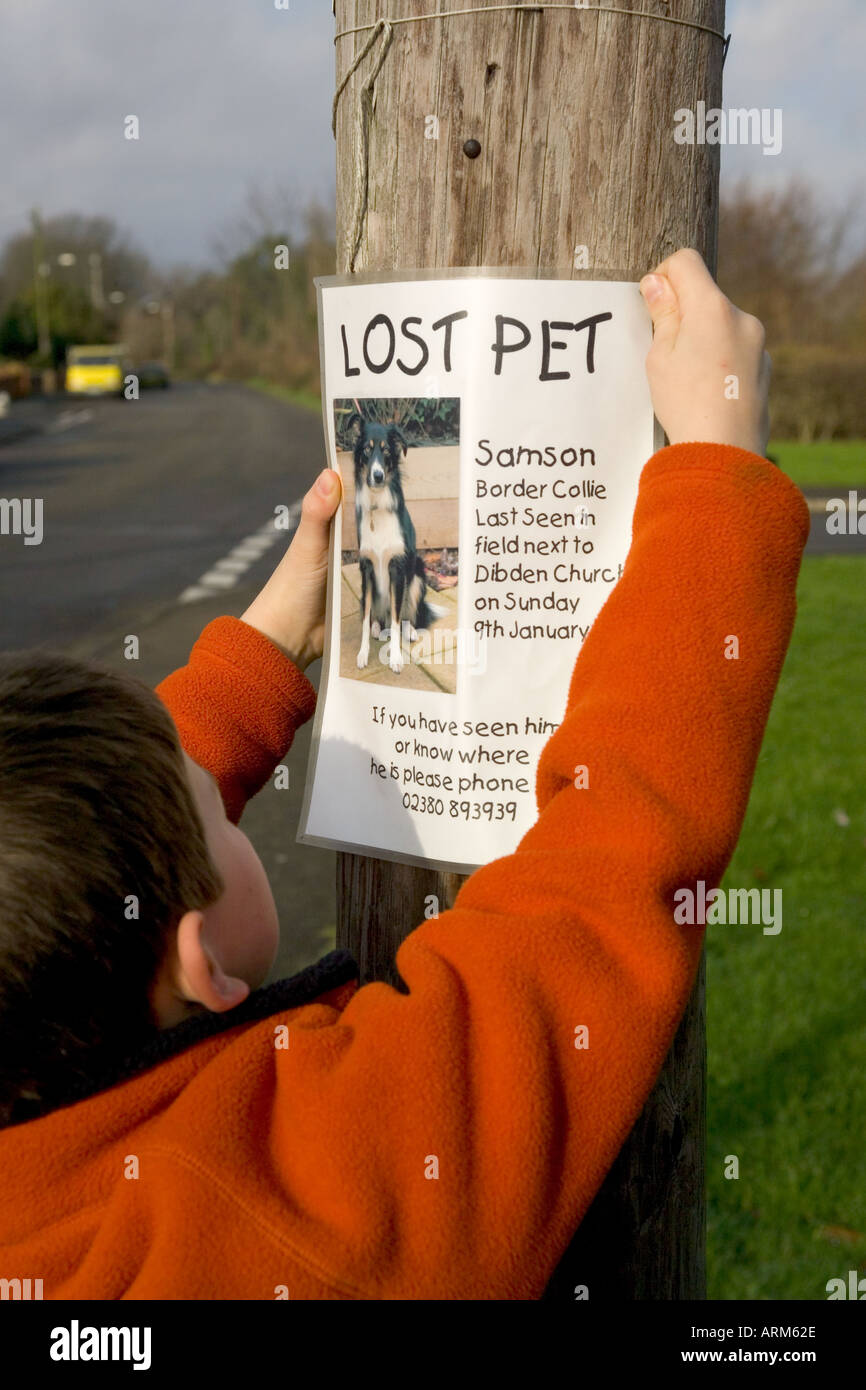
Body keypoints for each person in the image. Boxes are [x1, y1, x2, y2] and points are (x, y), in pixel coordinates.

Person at [0, 249, 809, 1298]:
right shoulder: (297, 1218)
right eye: (215, 808)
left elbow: (74, 847)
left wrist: (264, 646)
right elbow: (594, 892)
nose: (211, 772)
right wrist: (715, 475)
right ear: (199, 960)